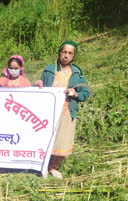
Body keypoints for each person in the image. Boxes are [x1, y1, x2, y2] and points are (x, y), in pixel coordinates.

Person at [34, 41, 90, 179]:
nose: (66, 56)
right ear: (59, 53)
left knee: (62, 140)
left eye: (70, 53)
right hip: (48, 111)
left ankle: (53, 167)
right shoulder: (49, 70)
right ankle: (43, 166)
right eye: (64, 52)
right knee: (46, 139)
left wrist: (75, 94)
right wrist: (38, 84)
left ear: (74, 56)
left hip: (66, 111)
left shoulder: (78, 73)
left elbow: (85, 93)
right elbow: (41, 90)